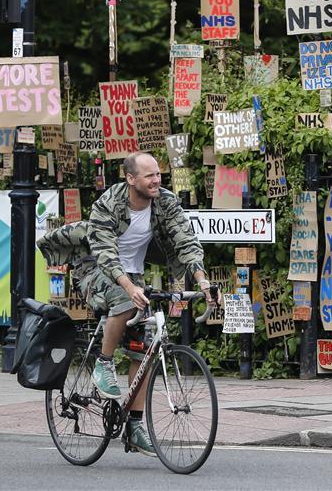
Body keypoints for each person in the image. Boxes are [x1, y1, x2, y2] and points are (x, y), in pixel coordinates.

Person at [38, 151, 216, 456]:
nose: (156, 180)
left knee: (143, 348)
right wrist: (129, 286)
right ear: (130, 178)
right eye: (149, 176)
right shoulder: (108, 204)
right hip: (94, 269)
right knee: (125, 298)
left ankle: (134, 426)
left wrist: (202, 280)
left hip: (133, 273)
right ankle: (104, 363)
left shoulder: (165, 202)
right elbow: (105, 254)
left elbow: (186, 241)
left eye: (158, 174)